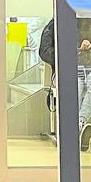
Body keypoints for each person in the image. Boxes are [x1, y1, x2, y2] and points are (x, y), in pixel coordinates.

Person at [39, 18, 91, 150]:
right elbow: (44, 51)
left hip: (88, 69)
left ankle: (78, 124)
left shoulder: (88, 22)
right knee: (75, 87)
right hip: (65, 70)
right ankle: (78, 126)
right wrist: (65, 56)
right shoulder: (55, 22)